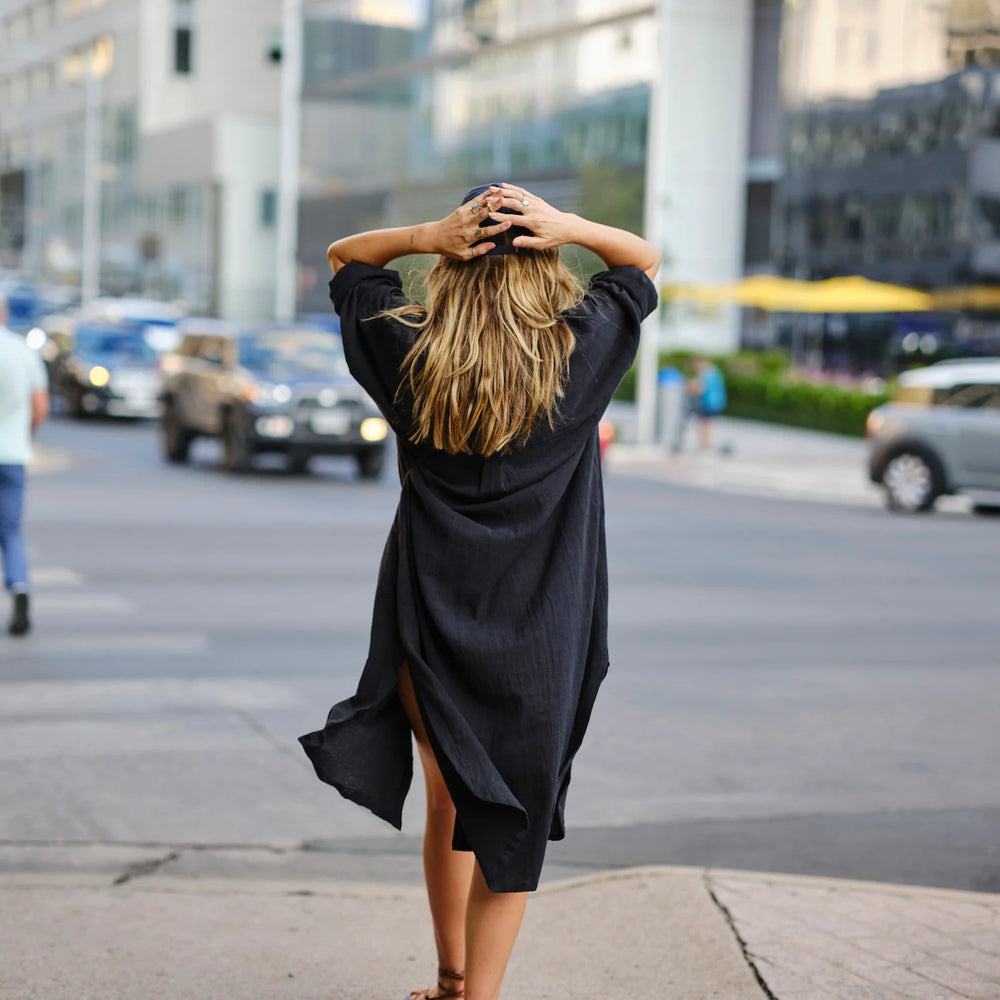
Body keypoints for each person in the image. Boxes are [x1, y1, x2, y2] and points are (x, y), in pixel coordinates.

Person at [299, 182, 659, 1000]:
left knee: (447, 803)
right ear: (547, 263)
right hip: (542, 635)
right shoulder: (583, 347)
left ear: (454, 264)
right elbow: (640, 260)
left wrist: (429, 233)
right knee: (514, 816)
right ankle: (481, 996)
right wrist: (566, 225)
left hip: (427, 625)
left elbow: (346, 257)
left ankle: (450, 977)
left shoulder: (410, 351)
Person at [0, 292, 50, 636]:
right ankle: (19, 587)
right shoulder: (22, 351)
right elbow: (41, 406)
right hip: (13, 455)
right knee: (10, 531)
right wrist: (23, 433)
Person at [686, 356, 727, 451]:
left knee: (704, 422)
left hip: (708, 402)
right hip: (715, 402)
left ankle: (705, 443)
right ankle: (706, 443)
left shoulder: (706, 373)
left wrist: (690, 388)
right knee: (707, 422)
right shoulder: (715, 372)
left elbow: (701, 388)